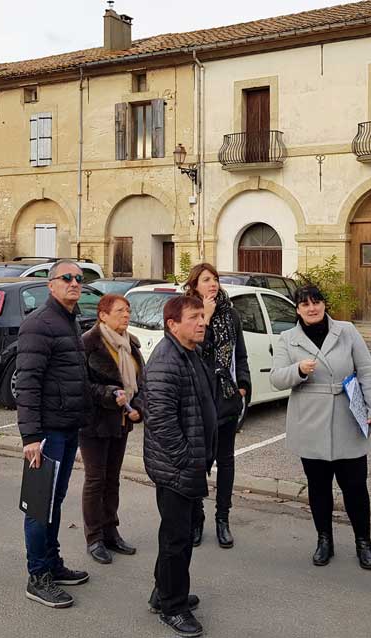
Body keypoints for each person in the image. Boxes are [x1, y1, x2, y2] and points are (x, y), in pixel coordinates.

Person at [16, 259, 117, 609]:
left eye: (79, 278)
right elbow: (27, 383)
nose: (75, 283)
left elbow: (75, 379)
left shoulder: (68, 322)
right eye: (67, 278)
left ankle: (52, 563)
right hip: (47, 433)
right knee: (40, 506)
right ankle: (38, 576)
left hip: (68, 427)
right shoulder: (39, 325)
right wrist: (31, 437)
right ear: (51, 284)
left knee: (55, 503)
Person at [269, 284, 371, 570]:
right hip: (309, 419)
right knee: (318, 486)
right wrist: (298, 370)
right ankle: (324, 540)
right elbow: (277, 378)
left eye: (316, 302)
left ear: (324, 304)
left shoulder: (347, 331)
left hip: (348, 415)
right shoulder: (287, 338)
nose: (312, 308)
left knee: (355, 486)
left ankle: (363, 542)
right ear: (297, 309)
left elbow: (366, 370)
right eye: (305, 304)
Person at [143, 295, 217, 638]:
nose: (202, 322)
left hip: (187, 463)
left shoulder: (189, 352)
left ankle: (164, 591)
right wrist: (187, 458)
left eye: (202, 316)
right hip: (175, 466)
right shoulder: (165, 361)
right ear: (173, 324)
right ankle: (173, 607)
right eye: (194, 317)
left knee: (178, 533)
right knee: (177, 538)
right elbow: (160, 420)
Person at [183, 263, 250, 549]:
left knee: (226, 461)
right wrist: (205, 318)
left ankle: (222, 519)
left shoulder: (231, 313)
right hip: (200, 397)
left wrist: (244, 384)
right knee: (200, 461)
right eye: (206, 279)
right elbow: (193, 352)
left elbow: (241, 354)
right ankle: (196, 518)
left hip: (226, 397)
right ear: (195, 285)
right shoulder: (188, 314)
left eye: (215, 279)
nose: (212, 284)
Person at [80, 294, 145, 564]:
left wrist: (138, 405)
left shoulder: (131, 343)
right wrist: (108, 393)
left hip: (122, 420)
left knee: (113, 478)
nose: (126, 315)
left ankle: (111, 531)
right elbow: (81, 386)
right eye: (120, 311)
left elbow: (142, 379)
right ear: (103, 315)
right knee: (96, 480)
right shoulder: (88, 344)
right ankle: (94, 538)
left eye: (128, 310)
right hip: (95, 422)